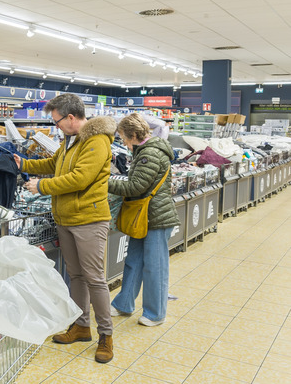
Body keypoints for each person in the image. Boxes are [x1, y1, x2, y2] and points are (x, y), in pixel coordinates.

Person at [13, 93, 117, 363]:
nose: (55, 126)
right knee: (76, 276)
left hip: (89, 220)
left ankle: (106, 336)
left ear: (71, 118)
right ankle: (81, 326)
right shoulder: (70, 140)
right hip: (66, 219)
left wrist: (42, 186)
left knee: (94, 278)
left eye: (57, 121)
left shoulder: (96, 141)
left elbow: (80, 178)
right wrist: (24, 164)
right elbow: (54, 164)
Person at [108, 113, 179, 326]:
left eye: (123, 138)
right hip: (143, 216)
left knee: (155, 267)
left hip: (156, 217)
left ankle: (155, 313)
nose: (123, 143)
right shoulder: (145, 151)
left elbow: (135, 187)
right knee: (134, 261)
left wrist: (104, 183)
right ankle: (124, 303)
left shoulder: (150, 154)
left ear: (133, 135)